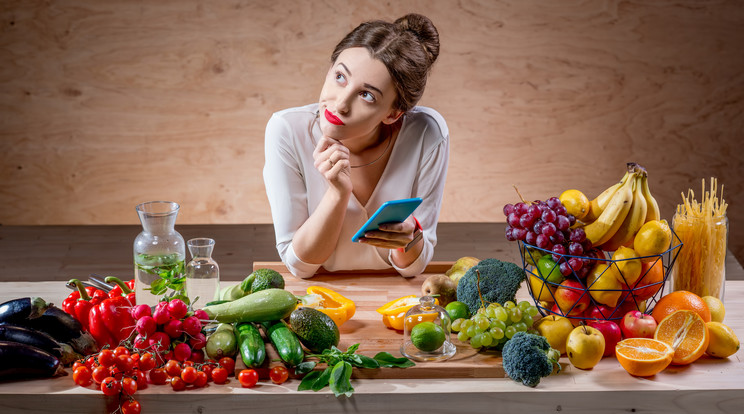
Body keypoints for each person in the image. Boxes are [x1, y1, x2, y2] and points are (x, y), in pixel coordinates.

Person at [263, 13, 449, 278]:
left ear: (393, 114)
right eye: (340, 76)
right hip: (317, 297)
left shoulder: (428, 133)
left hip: (395, 297)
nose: (340, 103)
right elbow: (300, 265)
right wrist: (338, 193)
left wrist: (411, 235)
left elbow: (414, 268)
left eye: (367, 95)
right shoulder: (286, 130)